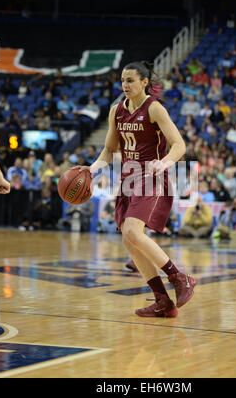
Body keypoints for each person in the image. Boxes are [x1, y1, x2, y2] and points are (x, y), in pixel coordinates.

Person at [78, 61, 196, 318]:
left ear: (145, 82)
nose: (125, 85)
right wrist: (93, 167)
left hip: (151, 175)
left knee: (132, 231)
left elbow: (179, 145)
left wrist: (163, 163)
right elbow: (109, 150)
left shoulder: (154, 108)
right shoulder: (116, 111)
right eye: (123, 80)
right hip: (128, 179)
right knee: (129, 240)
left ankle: (180, 278)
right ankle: (162, 300)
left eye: (131, 80)